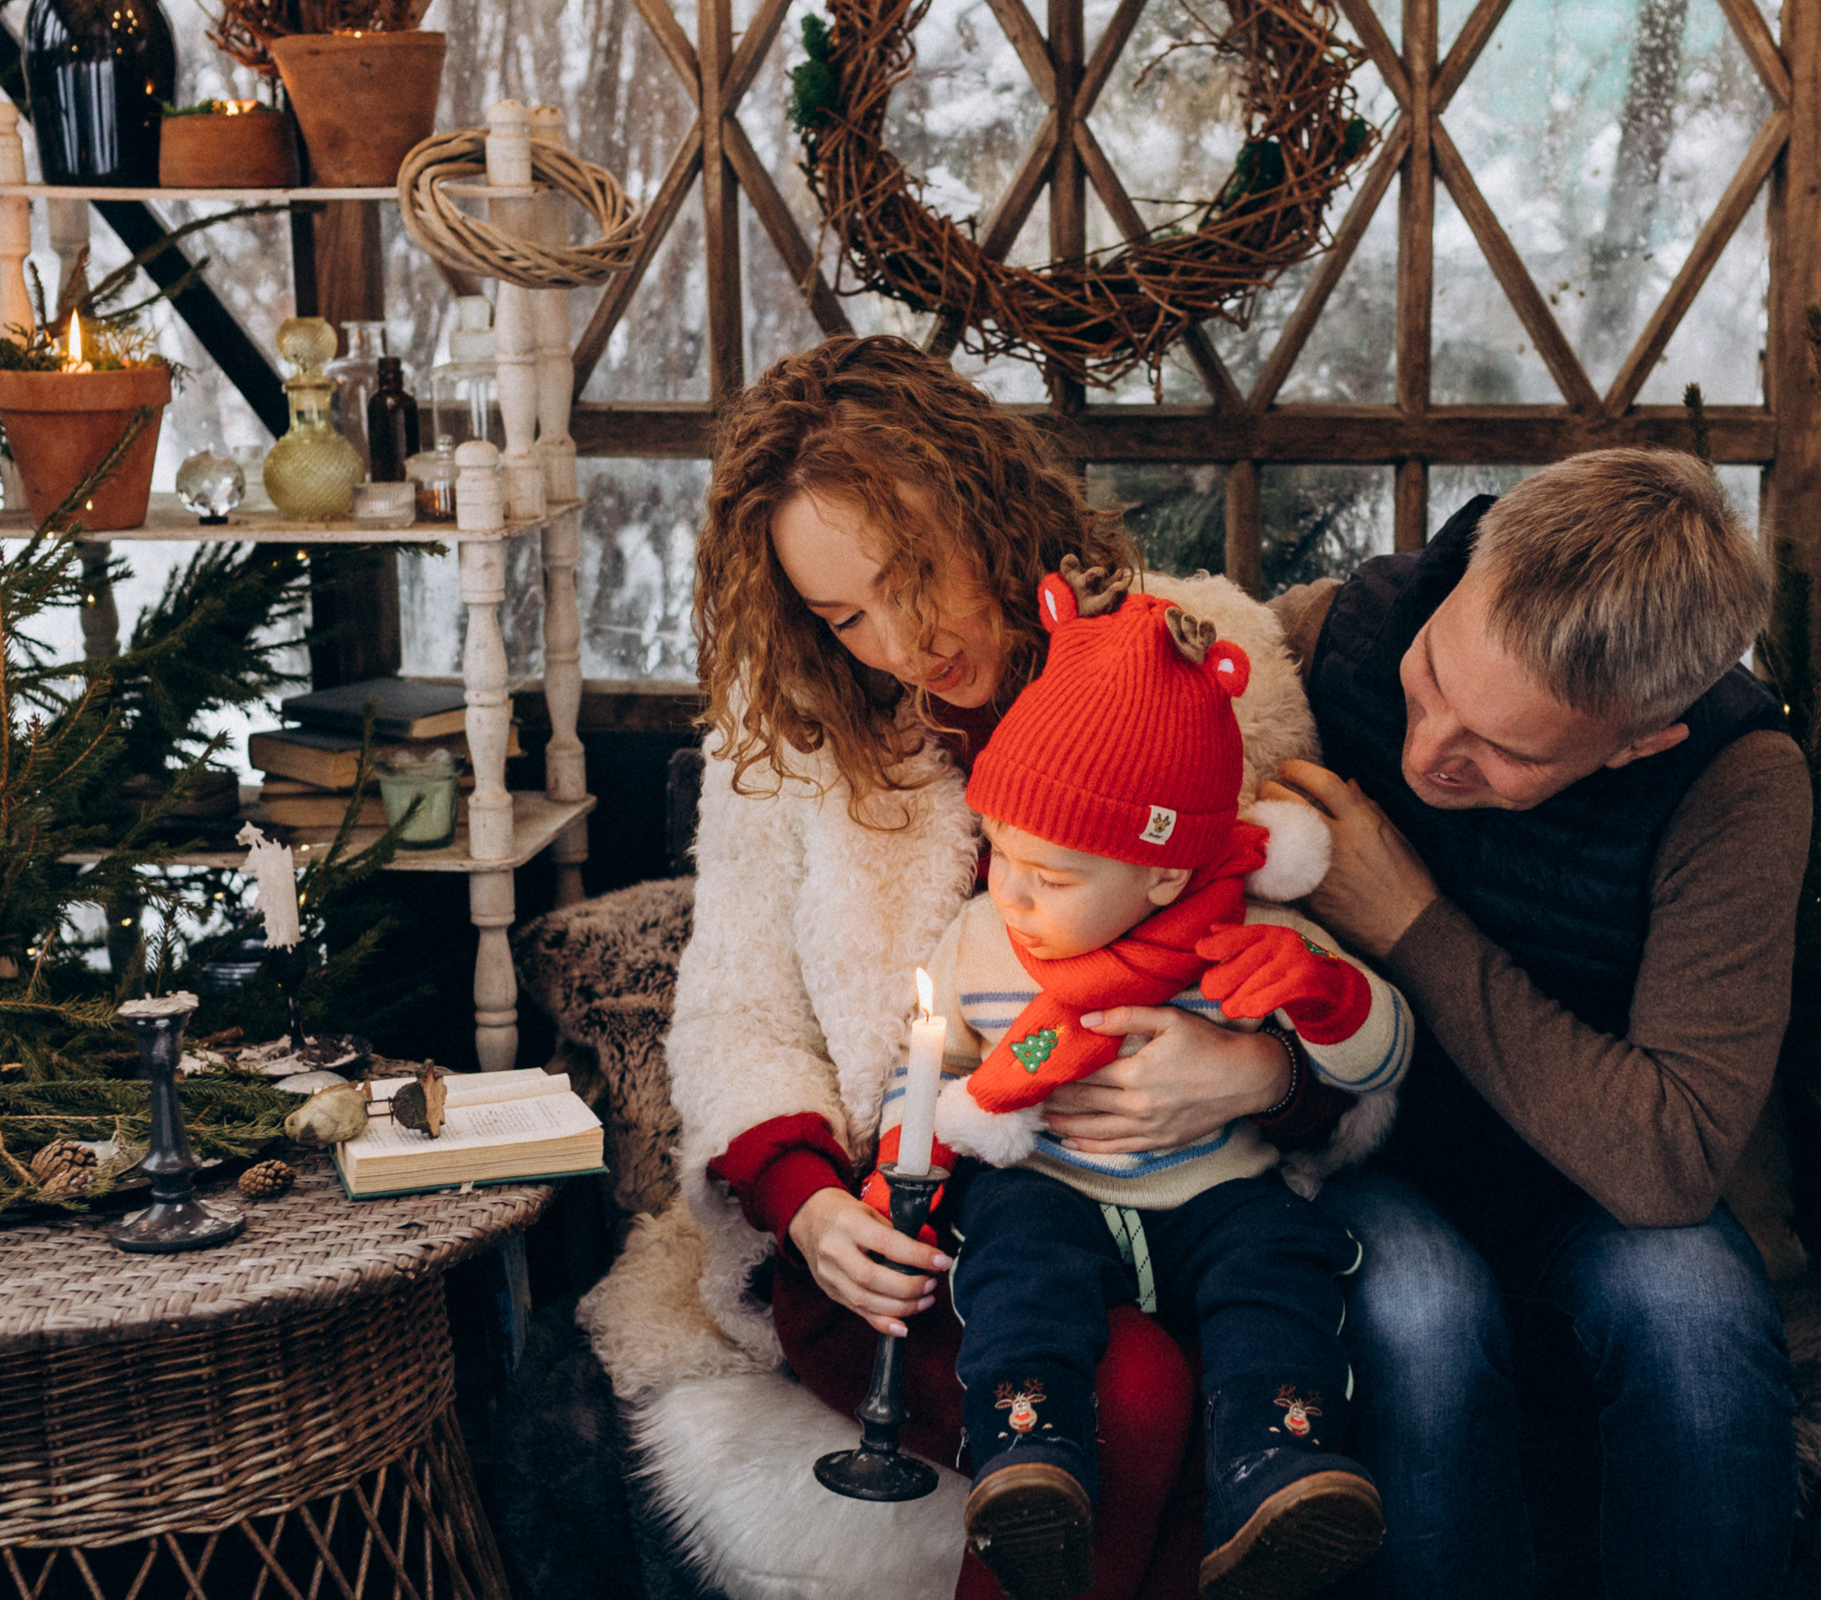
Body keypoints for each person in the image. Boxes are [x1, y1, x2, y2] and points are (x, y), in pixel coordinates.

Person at [575, 334, 1396, 1600]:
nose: (904, 640)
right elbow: (737, 1017)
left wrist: (1259, 1074)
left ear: (982, 502)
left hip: (1192, 1204)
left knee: (1218, 1376)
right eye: (845, 616)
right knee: (1127, 1387)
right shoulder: (788, 740)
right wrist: (809, 1203)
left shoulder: (1191, 655)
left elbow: (1294, 941)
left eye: (913, 576)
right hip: (910, 1234)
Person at [1258, 450, 1808, 1600]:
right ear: (1467, 567)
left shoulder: (1737, 779)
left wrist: (1407, 920)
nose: (1426, 753)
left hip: (1583, 1190)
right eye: (1431, 676)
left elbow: (1669, 1157)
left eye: (1504, 751)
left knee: (1697, 1304)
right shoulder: (1340, 632)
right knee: (1421, 1305)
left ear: (1639, 740)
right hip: (1357, 1155)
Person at [879, 559, 1411, 1600]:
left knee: (1279, 1272)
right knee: (1016, 1261)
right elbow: (930, 1060)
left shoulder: (1251, 935)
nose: (1012, 894)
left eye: (1054, 876)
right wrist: (904, 1167)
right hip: (1052, 1183)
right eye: (1001, 854)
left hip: (1217, 1190)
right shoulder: (981, 942)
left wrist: (1327, 999)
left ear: (1164, 871)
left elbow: (1384, 1055)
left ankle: (1279, 1467)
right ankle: (1030, 1456)